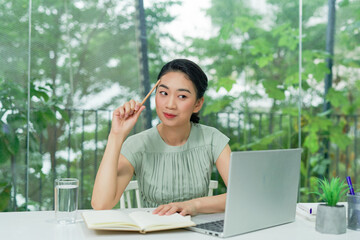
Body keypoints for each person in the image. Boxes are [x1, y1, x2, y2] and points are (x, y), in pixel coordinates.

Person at [91, 59, 231, 216]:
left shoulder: (212, 139)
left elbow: (243, 194)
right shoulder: (137, 145)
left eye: (182, 96)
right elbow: (101, 204)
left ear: (198, 104)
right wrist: (116, 135)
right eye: (163, 93)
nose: (170, 104)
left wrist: (193, 205)